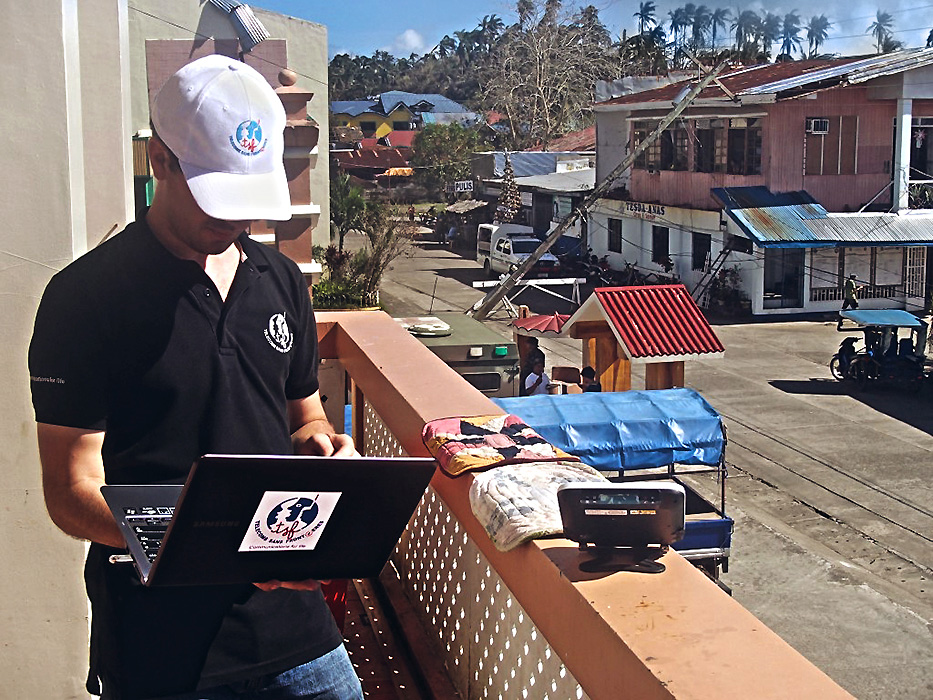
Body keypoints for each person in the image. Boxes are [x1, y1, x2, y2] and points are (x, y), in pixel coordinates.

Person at [28, 55, 363, 700]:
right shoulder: (84, 298)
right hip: (160, 646)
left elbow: (304, 414)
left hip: (297, 630)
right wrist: (204, 542)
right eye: (217, 198)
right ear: (160, 160)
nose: (233, 222)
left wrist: (325, 449)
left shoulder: (280, 279)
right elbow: (70, 490)